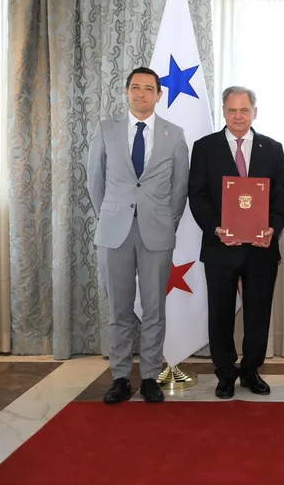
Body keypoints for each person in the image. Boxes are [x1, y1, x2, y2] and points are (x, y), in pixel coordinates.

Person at [86, 66, 189, 404]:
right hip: (114, 232)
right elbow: (95, 181)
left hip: (156, 232)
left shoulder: (174, 134)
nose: (141, 93)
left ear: (159, 95)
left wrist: (166, 221)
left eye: (148, 88)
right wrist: (111, 214)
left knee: (154, 308)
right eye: (135, 87)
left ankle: (149, 376)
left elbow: (180, 189)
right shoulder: (106, 130)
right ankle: (119, 377)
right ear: (126, 92)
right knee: (118, 308)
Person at [187, 86, 284, 399]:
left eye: (244, 110)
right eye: (232, 110)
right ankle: (225, 373)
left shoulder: (273, 148)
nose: (238, 116)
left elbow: (281, 197)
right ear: (223, 112)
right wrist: (215, 228)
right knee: (220, 313)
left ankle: (251, 371)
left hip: (261, 248)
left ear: (254, 112)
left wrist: (273, 228)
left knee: (258, 312)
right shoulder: (205, 147)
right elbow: (197, 195)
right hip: (220, 247)